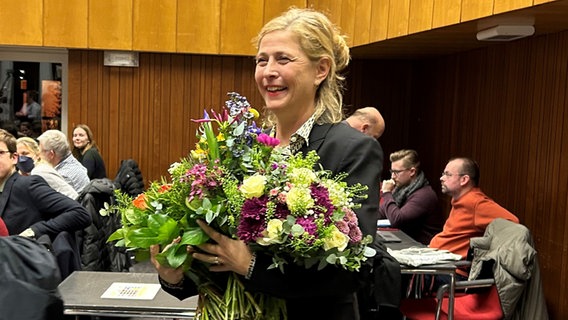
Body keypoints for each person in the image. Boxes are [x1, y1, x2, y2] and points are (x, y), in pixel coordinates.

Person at [151, 8, 383, 320]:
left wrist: (251, 267)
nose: (268, 71)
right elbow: (219, 257)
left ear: (321, 69)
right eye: (262, 60)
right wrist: (174, 275)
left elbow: (356, 270)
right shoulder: (237, 150)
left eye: (283, 59)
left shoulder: (353, 149)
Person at [0, 129, 91, 238]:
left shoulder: (28, 184)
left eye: (0, 153)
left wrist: (34, 231)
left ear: (14, 158)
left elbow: (80, 213)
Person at [430, 157, 520, 259]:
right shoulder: (460, 199)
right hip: (439, 262)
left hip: (453, 269)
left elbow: (513, 223)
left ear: (464, 180)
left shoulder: (476, 203)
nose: (442, 178)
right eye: (443, 174)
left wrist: (483, 246)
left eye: (448, 174)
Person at [379, 149, 444, 244]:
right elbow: (382, 213)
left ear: (412, 171)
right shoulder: (400, 190)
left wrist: (387, 193)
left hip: (424, 249)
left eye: (396, 172)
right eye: (392, 171)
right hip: (406, 243)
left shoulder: (424, 195)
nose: (393, 176)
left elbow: (397, 220)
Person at [37, 130, 90, 194]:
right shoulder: (72, 162)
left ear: (51, 154)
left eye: (41, 151)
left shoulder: (63, 177)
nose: (38, 155)